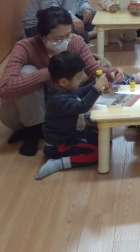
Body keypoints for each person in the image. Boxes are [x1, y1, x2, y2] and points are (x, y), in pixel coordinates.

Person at [0, 7, 125, 156]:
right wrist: (49, 73)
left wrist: (110, 73)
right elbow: (5, 88)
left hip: (57, 112)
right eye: (58, 39)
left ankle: (48, 130)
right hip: (22, 115)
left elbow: (93, 70)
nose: (65, 41)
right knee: (27, 72)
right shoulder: (25, 47)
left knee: (100, 118)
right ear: (42, 36)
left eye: (68, 35)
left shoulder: (75, 42)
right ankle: (32, 131)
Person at [34, 51, 109, 179]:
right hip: (60, 144)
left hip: (72, 134)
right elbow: (82, 106)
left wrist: (96, 84)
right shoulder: (58, 99)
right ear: (63, 81)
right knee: (98, 154)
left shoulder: (64, 90)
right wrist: (96, 88)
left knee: (101, 135)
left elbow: (81, 91)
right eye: (79, 78)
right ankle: (58, 163)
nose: (80, 81)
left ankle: (74, 148)